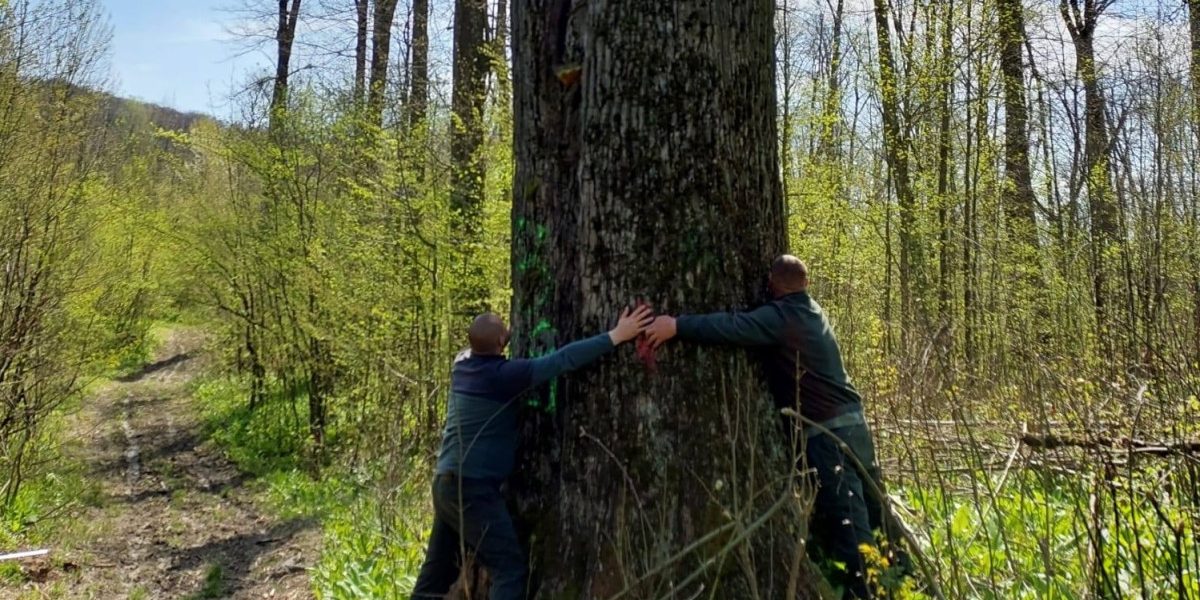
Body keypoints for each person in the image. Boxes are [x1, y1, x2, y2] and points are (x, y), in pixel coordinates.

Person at [644, 255, 897, 599]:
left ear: (771, 284)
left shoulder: (782, 317)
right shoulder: (813, 311)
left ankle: (870, 592)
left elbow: (732, 326)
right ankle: (901, 580)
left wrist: (676, 325)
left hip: (829, 434)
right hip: (854, 424)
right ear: (806, 283)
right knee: (876, 511)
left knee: (852, 525)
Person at [411, 305, 655, 600]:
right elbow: (563, 360)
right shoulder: (505, 377)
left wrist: (499, 337)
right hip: (472, 489)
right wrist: (616, 335)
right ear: (501, 343)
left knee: (435, 577)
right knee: (508, 569)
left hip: (445, 483)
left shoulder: (460, 365)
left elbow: (482, 343)